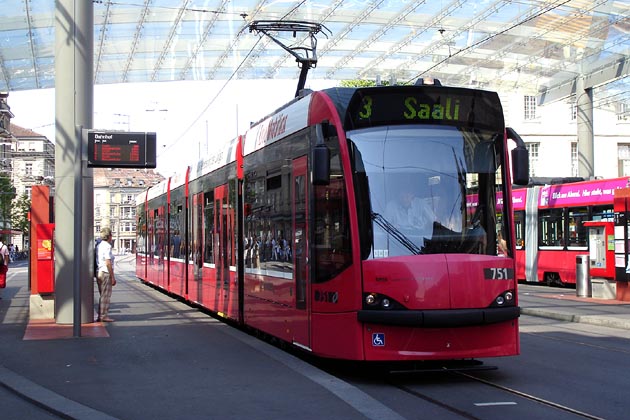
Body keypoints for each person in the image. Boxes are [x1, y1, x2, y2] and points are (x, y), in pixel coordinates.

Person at [96, 227, 116, 322]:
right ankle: (103, 315)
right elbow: (108, 262)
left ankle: (101, 314)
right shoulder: (107, 246)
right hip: (105, 273)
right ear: (109, 236)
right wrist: (112, 277)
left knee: (102, 294)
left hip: (99, 272)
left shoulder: (99, 245)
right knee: (106, 295)